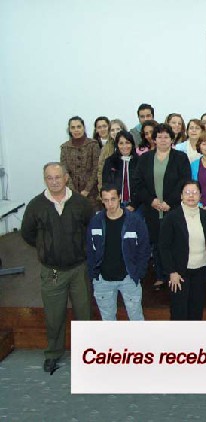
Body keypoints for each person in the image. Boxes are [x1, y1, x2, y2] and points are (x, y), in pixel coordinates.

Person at [21, 162, 94, 373]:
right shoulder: (36, 205)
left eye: (57, 177)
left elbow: (91, 229)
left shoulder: (81, 203)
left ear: (66, 178)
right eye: (49, 178)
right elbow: (27, 233)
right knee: (54, 317)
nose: (54, 182)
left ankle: (87, 354)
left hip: (79, 269)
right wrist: (46, 248)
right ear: (45, 180)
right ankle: (53, 354)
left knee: (84, 314)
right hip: (52, 272)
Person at [132, 123, 191, 291]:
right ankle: (160, 275)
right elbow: (138, 183)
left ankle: (177, 274)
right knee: (157, 244)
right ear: (154, 139)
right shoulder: (145, 159)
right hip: (152, 209)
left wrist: (169, 202)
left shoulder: (180, 158)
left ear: (172, 139)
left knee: (175, 242)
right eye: (159, 137)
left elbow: (184, 181)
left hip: (174, 209)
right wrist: (151, 200)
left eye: (166, 136)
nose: (163, 140)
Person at [86, 185, 150, 321]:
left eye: (113, 199)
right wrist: (94, 274)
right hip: (102, 280)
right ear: (101, 200)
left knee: (136, 319)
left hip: (129, 278)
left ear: (120, 198)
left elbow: (144, 249)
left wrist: (138, 273)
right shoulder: (95, 222)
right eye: (106, 200)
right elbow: (90, 250)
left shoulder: (135, 221)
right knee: (108, 320)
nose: (110, 204)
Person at [159, 181, 206, 320]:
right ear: (181, 195)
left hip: (200, 271)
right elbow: (164, 247)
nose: (191, 196)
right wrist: (171, 272)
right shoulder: (172, 217)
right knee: (179, 313)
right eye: (187, 192)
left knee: (196, 311)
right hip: (179, 273)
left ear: (200, 195)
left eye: (194, 192)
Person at [60, 116, 101, 210]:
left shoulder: (93, 144)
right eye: (73, 127)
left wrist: (87, 190)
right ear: (69, 130)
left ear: (83, 128)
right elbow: (64, 171)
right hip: (72, 194)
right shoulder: (65, 148)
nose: (76, 130)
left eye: (79, 127)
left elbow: (97, 168)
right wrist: (73, 192)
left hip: (92, 193)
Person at [102, 130, 139, 210]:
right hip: (115, 205)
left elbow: (142, 185)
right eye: (121, 143)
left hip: (136, 205)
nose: (124, 146)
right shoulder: (110, 161)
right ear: (117, 145)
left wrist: (133, 205)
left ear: (132, 144)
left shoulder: (140, 161)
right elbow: (106, 185)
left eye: (127, 142)